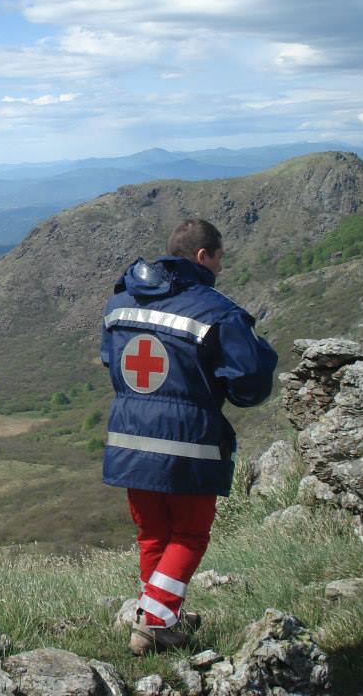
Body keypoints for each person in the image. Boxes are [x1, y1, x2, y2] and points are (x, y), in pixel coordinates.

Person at [99, 218, 278, 656]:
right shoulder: (217, 311)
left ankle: (160, 616)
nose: (221, 268)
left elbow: (110, 360)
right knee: (189, 536)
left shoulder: (120, 302)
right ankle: (153, 622)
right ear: (203, 256)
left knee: (153, 536)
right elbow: (249, 386)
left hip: (129, 437)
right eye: (219, 258)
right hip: (189, 442)